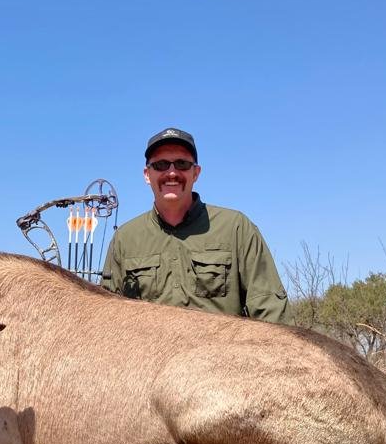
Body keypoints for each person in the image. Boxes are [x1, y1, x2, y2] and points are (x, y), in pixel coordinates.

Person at [101, 127, 293, 324]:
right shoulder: (124, 239)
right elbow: (108, 320)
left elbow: (272, 313)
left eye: (182, 164)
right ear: (147, 174)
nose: (172, 172)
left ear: (196, 173)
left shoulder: (236, 228)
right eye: (161, 165)